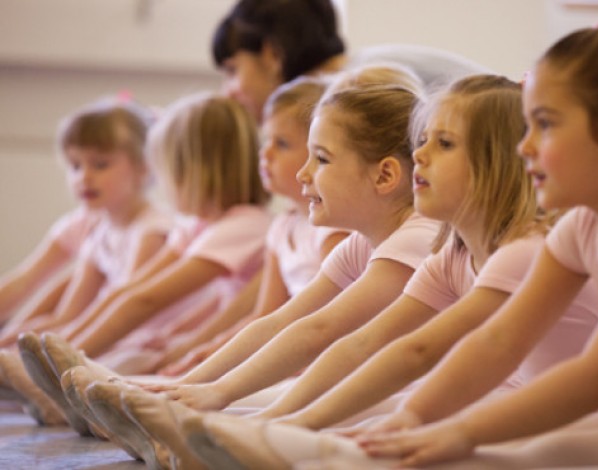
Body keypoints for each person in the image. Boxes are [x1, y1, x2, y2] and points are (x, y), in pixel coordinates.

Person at [345, 25, 598, 468]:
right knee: (536, 450)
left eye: (544, 126)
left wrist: (461, 430)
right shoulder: (581, 229)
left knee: (570, 455)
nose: (524, 147)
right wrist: (414, 417)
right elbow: (499, 340)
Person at [58, 76, 442, 469]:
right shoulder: (362, 243)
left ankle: (208, 438)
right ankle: (165, 417)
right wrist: (194, 385)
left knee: (322, 431)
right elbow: (281, 320)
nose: (303, 173)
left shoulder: (416, 237)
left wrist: (246, 411)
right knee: (231, 405)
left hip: (422, 392)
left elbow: (324, 331)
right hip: (387, 384)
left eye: (321, 159)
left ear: (384, 176)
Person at [3, 92, 272, 434]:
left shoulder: (244, 225)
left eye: (164, 171)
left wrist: (63, 356)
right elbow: (132, 290)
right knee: (125, 363)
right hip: (207, 341)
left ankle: (69, 400)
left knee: (126, 366)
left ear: (195, 170)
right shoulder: (197, 227)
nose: (161, 187)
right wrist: (49, 349)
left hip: (231, 350)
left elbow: (148, 300)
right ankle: (63, 395)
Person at [149, 76, 349, 376]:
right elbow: (264, 314)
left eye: (281, 143)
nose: (265, 154)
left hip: (319, 363)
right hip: (289, 355)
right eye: (265, 140)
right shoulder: (281, 227)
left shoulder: (334, 230)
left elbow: (334, 319)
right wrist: (212, 350)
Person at [0, 96, 172, 423]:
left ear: (143, 166)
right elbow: (69, 310)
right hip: (103, 333)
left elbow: (126, 310)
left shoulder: (152, 230)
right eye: (75, 165)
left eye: (100, 164)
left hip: (141, 339)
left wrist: (34, 347)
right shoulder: (96, 226)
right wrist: (17, 338)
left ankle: (56, 398)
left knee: (117, 363)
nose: (84, 177)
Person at [212, 0, 489, 123]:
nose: (229, 91)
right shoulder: (358, 71)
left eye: (233, 70)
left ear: (272, 54)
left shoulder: (355, 89)